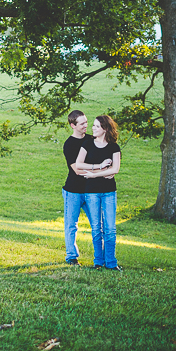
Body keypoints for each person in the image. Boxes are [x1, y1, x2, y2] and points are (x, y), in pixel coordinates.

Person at [61, 110, 111, 266]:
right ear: (72, 125)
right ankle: (71, 257)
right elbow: (77, 169)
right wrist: (99, 169)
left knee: (98, 225)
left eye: (86, 122)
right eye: (82, 123)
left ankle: (101, 259)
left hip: (92, 190)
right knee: (71, 225)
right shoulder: (69, 145)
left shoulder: (92, 140)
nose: (86, 126)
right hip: (73, 191)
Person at [73, 115, 121, 271]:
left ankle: (111, 263)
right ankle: (98, 262)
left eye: (96, 126)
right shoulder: (87, 144)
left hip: (108, 192)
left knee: (110, 229)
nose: (92, 128)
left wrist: (93, 174)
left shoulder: (114, 147)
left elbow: (115, 169)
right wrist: (99, 167)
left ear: (105, 129)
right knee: (96, 228)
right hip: (92, 192)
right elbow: (79, 164)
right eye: (92, 125)